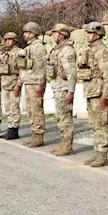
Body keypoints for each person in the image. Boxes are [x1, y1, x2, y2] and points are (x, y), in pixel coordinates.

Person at [79, 22, 108, 167]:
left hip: (99, 93)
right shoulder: (89, 50)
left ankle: (102, 155)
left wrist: (105, 96)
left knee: (101, 124)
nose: (87, 35)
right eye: (87, 33)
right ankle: (97, 152)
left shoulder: (103, 51)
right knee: (94, 124)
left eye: (90, 33)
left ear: (98, 35)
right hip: (91, 91)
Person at [47, 23, 77, 156]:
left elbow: (71, 72)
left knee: (65, 118)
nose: (53, 35)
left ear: (63, 35)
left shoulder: (67, 50)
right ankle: (63, 143)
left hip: (64, 88)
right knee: (60, 117)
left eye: (56, 33)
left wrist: (70, 91)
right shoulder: (57, 49)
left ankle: (67, 145)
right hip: (58, 86)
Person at [15, 22, 47, 148]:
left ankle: (39, 136)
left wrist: (40, 84)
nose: (24, 35)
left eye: (27, 32)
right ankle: (34, 133)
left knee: (37, 110)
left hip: (35, 83)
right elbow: (23, 68)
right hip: (28, 82)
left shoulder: (38, 47)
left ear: (33, 33)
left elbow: (42, 67)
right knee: (30, 110)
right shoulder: (29, 47)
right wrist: (19, 83)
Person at [0, 32, 23, 140]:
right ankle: (10, 127)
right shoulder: (5, 53)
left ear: (14, 41)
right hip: (5, 83)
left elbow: (22, 70)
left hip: (14, 83)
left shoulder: (19, 52)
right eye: (6, 40)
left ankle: (14, 129)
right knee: (7, 106)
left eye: (9, 39)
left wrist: (18, 85)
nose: (7, 41)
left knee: (14, 106)